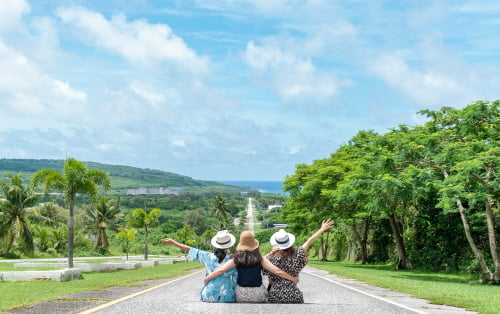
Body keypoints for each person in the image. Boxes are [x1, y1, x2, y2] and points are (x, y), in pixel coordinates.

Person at [203, 231, 298, 303]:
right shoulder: (259, 258)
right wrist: (293, 279)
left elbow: (222, 270)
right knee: (266, 289)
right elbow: (277, 271)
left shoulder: (237, 258)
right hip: (258, 295)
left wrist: (207, 278)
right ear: (254, 244)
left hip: (241, 295)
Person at [264, 219, 334, 303]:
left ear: (276, 243)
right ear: (289, 242)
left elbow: (261, 260)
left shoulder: (270, 259)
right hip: (295, 295)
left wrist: (271, 253)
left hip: (275, 296)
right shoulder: (297, 255)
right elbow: (309, 241)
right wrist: (322, 229)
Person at [161, 230, 238, 303]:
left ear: (216, 244)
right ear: (228, 246)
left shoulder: (207, 256)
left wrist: (172, 242)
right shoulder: (232, 260)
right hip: (226, 296)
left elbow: (189, 249)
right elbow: (235, 280)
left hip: (208, 295)